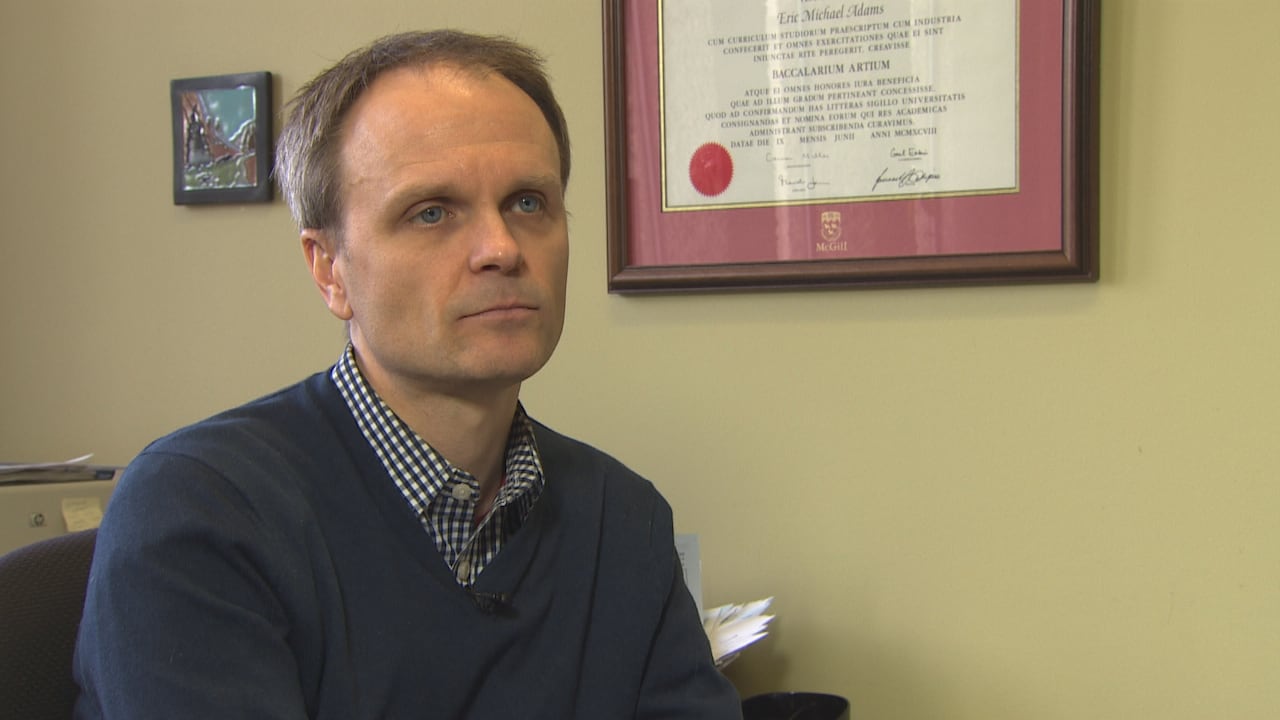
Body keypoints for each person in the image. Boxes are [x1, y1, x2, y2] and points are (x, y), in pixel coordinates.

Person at [73, 30, 742, 719]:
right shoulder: (200, 511)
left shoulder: (622, 519)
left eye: (528, 203)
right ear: (329, 268)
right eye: (431, 213)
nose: (502, 249)